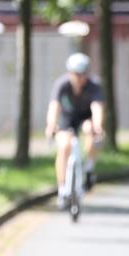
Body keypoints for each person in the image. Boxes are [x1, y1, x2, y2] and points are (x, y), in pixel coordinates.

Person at [45, 53, 105, 208]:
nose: (80, 78)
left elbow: (97, 107)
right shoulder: (62, 85)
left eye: (83, 74)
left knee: (89, 129)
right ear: (69, 73)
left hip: (86, 117)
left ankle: (89, 168)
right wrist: (51, 125)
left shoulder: (94, 85)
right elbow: (54, 107)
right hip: (68, 118)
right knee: (64, 146)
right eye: (76, 74)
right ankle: (62, 188)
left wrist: (98, 126)